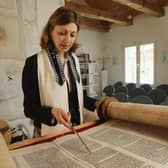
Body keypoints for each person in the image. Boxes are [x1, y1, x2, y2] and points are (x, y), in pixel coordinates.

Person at [22, 7, 96, 137]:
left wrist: (99, 104)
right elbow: (29, 108)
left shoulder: (74, 60)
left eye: (72, 34)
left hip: (76, 130)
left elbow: (78, 97)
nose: (67, 40)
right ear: (50, 31)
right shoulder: (33, 63)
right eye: (62, 33)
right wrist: (51, 112)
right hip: (49, 134)